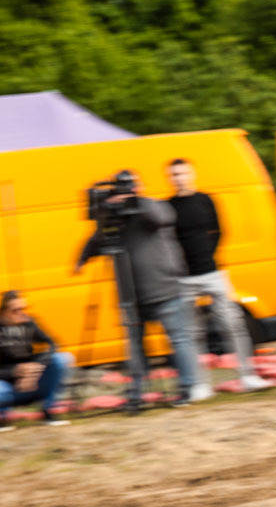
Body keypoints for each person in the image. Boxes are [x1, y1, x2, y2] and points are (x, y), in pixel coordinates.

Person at [74, 173, 205, 408]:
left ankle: (188, 388)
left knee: (179, 339)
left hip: (165, 288)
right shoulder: (115, 217)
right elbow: (97, 239)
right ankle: (137, 392)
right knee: (135, 346)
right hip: (130, 295)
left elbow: (161, 217)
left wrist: (135, 200)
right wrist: (82, 259)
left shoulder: (154, 207)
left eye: (129, 189)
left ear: (138, 188)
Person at [166, 159, 268, 393]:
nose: (179, 178)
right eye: (174, 175)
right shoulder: (169, 207)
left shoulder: (205, 200)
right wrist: (180, 264)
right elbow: (167, 242)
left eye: (182, 173)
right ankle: (200, 385)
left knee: (234, 324)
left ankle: (248, 376)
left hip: (213, 272)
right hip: (184, 279)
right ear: (169, 178)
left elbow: (219, 230)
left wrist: (208, 254)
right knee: (192, 333)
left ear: (192, 174)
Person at [0, 291, 73, 429]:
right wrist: (15, 371)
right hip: (7, 385)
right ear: (4, 312)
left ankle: (48, 409)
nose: (21, 313)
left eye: (23, 308)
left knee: (62, 358)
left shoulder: (29, 323)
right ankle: (2, 417)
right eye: (15, 310)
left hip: (31, 382)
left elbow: (52, 343)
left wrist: (36, 367)